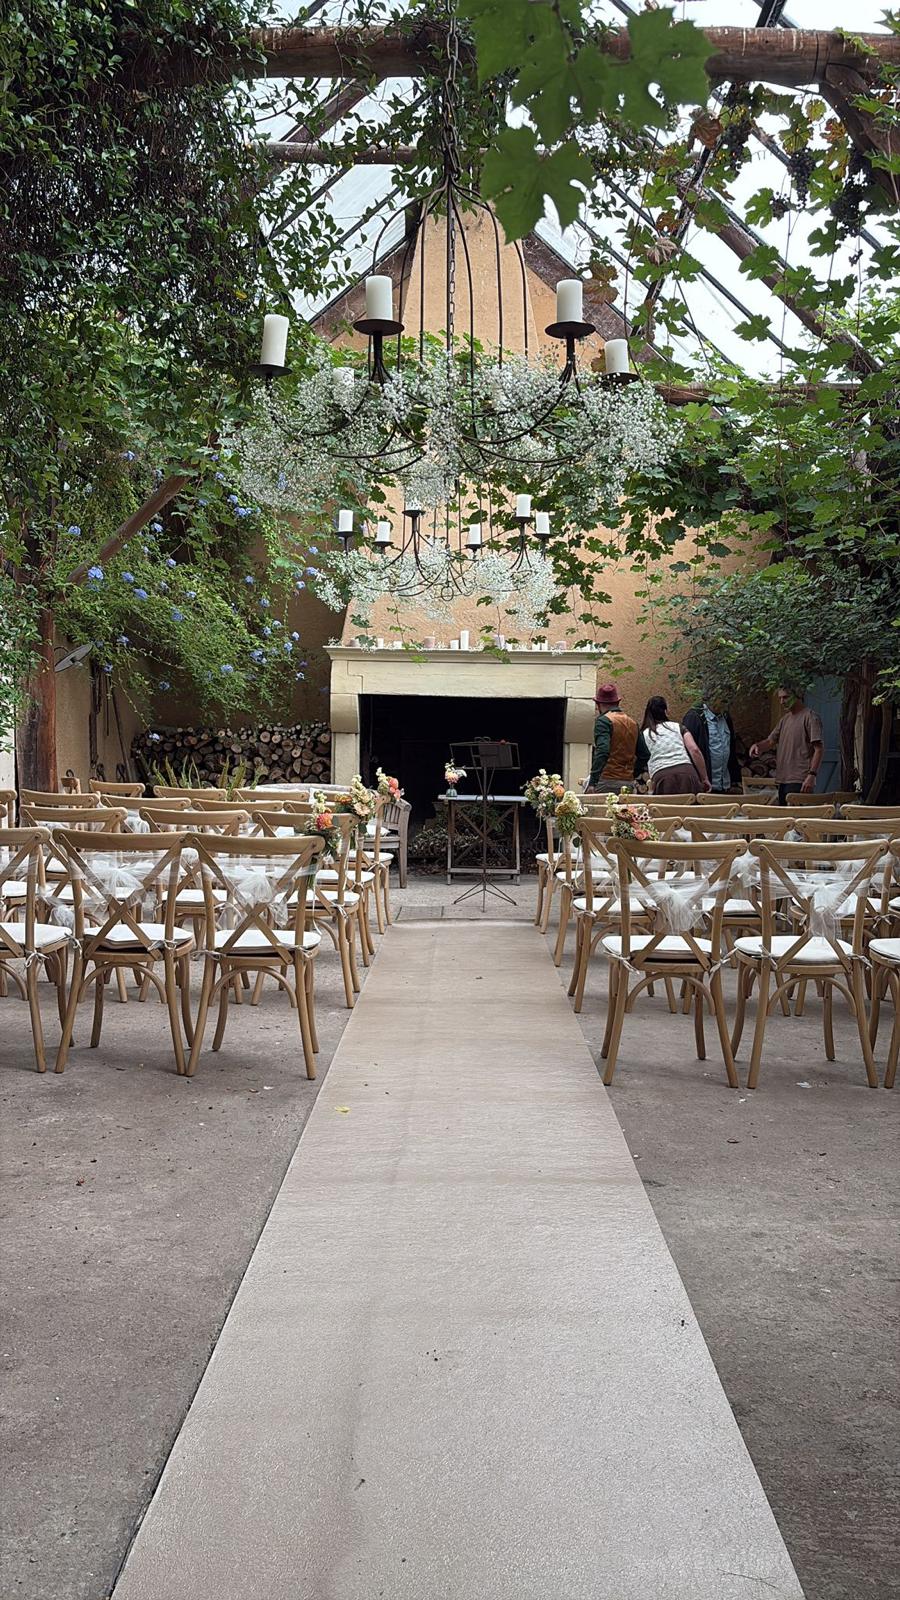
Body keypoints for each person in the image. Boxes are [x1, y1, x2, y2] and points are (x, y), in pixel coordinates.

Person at [750, 687, 823, 805]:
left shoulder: (810, 717)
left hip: (800, 779)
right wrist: (757, 746)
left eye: (785, 697)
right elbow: (770, 741)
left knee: (797, 815)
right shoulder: (785, 719)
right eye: (780, 698)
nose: (782, 702)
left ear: (797, 696)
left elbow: (818, 749)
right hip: (783, 779)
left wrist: (812, 775)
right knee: (784, 815)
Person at [585, 683, 650, 794]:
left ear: (599, 704)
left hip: (606, 780)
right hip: (627, 782)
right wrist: (633, 773)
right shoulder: (632, 723)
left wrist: (592, 782)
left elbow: (603, 751)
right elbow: (645, 754)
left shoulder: (603, 721)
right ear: (617, 702)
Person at [641, 695, 711, 795]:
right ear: (665, 711)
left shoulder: (644, 734)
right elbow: (694, 750)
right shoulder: (678, 727)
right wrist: (704, 778)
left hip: (661, 777)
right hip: (688, 774)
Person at [682, 693, 742, 794]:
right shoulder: (694, 717)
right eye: (723, 700)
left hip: (724, 784)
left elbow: (731, 748)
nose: (726, 704)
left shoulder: (726, 717)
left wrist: (735, 777)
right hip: (705, 785)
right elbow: (689, 751)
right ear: (711, 697)